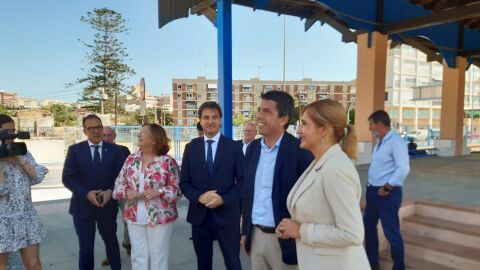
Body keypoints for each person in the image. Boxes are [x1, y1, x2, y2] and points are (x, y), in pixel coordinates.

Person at [275, 99, 370, 270]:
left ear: (323, 130)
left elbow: (353, 233)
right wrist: (290, 226)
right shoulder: (321, 163)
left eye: (304, 124)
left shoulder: (335, 168)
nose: (298, 130)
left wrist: (300, 230)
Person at [241, 91, 313, 270]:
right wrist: (245, 232)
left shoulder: (300, 151)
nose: (259, 115)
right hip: (256, 235)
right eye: (259, 110)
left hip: (285, 240)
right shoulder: (253, 149)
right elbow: (249, 194)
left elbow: (310, 198)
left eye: (266, 111)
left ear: (283, 119)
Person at [180, 101, 244, 270]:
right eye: (206, 117)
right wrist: (198, 197)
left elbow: (243, 183)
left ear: (220, 120)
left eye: (214, 117)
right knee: (203, 264)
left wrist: (223, 199)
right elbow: (184, 183)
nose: (210, 121)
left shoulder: (234, 148)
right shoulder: (190, 148)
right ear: (200, 121)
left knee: (233, 262)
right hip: (200, 218)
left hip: (227, 217)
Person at [113, 123, 181, 270]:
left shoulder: (167, 162)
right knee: (138, 256)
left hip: (160, 217)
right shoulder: (131, 159)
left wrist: (160, 192)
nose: (138, 134)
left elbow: (177, 191)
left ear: (154, 139)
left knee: (158, 257)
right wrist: (127, 191)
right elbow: (118, 184)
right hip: (134, 216)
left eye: (143, 132)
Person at [62, 114, 124, 270]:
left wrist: (110, 191)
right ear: (84, 131)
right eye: (91, 128)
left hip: (107, 206)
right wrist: (86, 194)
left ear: (102, 128)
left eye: (98, 127)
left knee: (111, 243)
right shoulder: (75, 150)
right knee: (86, 248)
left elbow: (121, 177)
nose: (96, 131)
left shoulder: (115, 150)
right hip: (82, 207)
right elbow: (68, 178)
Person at [0, 114, 48, 270]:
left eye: (14, 130)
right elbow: (2, 190)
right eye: (7, 131)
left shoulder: (22, 152)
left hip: (26, 217)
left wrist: (20, 160)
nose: (12, 135)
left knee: (34, 265)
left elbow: (37, 177)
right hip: (2, 221)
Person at [364, 110, 410, 270]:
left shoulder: (395, 141)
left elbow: (403, 168)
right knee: (368, 228)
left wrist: (388, 186)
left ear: (379, 124)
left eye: (370, 125)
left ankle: (399, 266)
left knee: (391, 233)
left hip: (387, 194)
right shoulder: (380, 141)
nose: (369, 128)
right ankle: (372, 263)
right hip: (373, 192)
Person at [101, 126, 131, 266]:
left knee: (128, 220)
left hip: (124, 192)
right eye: (104, 135)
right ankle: (111, 254)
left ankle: (127, 243)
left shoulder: (123, 150)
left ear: (114, 136)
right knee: (108, 226)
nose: (106, 138)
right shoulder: (98, 151)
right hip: (107, 193)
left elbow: (130, 170)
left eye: (109, 135)